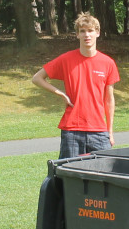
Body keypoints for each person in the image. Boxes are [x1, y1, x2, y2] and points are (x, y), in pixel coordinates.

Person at [31, 12, 119, 159]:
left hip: (99, 131)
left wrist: (109, 132)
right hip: (72, 130)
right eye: (82, 31)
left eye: (90, 31)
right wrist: (60, 93)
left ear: (97, 33)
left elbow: (109, 100)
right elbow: (37, 78)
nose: (87, 35)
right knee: (69, 174)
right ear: (77, 35)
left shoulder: (108, 63)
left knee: (105, 175)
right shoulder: (66, 59)